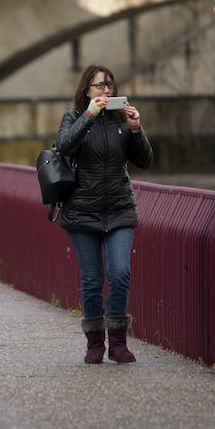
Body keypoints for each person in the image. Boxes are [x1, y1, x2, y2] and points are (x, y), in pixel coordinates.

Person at [55, 64, 152, 364]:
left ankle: (119, 342)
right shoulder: (74, 117)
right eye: (100, 85)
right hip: (83, 211)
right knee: (93, 279)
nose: (106, 90)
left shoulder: (122, 120)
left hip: (119, 209)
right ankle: (95, 343)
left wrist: (136, 129)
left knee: (120, 272)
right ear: (87, 91)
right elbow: (64, 146)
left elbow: (145, 160)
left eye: (110, 85)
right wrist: (89, 115)